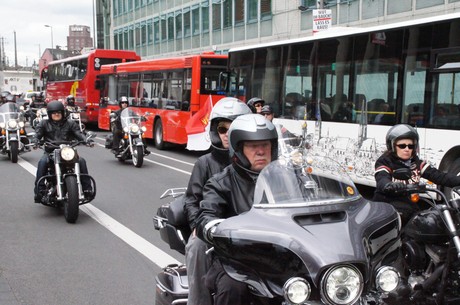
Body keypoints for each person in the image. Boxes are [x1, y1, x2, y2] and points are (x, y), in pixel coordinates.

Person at [195, 113, 278, 305]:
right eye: (252, 146)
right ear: (238, 150)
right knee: (233, 288)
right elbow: (206, 214)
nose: (260, 151)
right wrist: (213, 226)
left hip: (280, 256)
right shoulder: (221, 183)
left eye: (265, 145)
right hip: (237, 261)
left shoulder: (287, 179)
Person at [183, 97, 252, 305]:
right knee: (197, 245)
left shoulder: (256, 164)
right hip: (215, 229)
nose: (227, 134)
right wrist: (198, 224)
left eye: (234, 129)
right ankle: (198, 301)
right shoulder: (205, 163)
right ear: (214, 130)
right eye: (222, 129)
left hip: (251, 228)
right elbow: (192, 200)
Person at [373, 124, 460, 225]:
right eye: (402, 146)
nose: (407, 149)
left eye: (411, 146)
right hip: (387, 205)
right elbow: (381, 177)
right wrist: (388, 184)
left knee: (428, 224)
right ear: (392, 145)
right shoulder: (385, 161)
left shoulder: (416, 163)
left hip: (408, 206)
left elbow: (439, 176)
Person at [33, 100, 93, 203]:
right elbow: (37, 134)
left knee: (81, 161)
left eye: (59, 112)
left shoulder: (70, 123)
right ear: (49, 114)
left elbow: (78, 133)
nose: (56, 114)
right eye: (54, 113)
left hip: (67, 151)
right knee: (42, 162)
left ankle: (87, 189)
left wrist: (86, 140)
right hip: (50, 151)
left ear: (63, 113)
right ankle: (40, 191)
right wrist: (35, 141)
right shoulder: (44, 123)